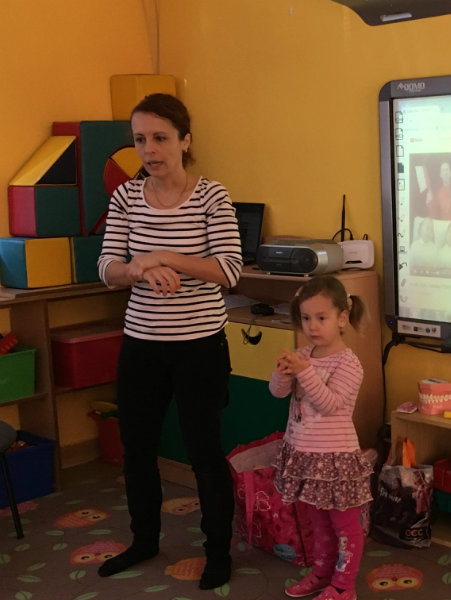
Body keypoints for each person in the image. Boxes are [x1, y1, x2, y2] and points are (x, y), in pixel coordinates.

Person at [96, 93, 242, 590]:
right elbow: (107, 268)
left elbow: (229, 270)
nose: (150, 150)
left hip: (199, 346)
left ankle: (217, 552)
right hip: (142, 345)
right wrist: (136, 269)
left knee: (204, 453)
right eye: (140, 139)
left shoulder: (211, 196)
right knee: (136, 448)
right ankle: (144, 540)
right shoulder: (125, 197)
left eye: (160, 138)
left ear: (185, 140)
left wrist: (162, 256)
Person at [268, 276, 373, 600]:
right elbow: (277, 393)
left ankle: (343, 586)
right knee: (319, 523)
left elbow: (330, 404)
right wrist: (282, 373)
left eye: (321, 317)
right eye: (306, 318)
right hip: (305, 455)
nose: (312, 326)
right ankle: (322, 573)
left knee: (345, 526)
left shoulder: (349, 363)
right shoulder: (304, 354)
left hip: (335, 458)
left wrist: (304, 371)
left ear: (342, 318)